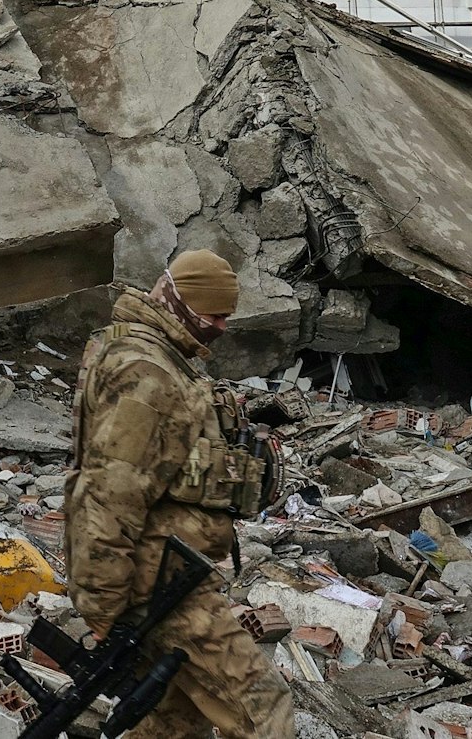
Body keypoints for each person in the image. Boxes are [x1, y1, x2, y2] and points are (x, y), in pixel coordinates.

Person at [65, 250, 295, 739]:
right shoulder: (147, 375)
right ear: (178, 301)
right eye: (214, 314)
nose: (222, 327)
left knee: (173, 724)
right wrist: (102, 606)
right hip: (159, 586)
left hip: (166, 576)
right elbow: (109, 494)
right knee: (264, 706)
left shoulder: (156, 355)